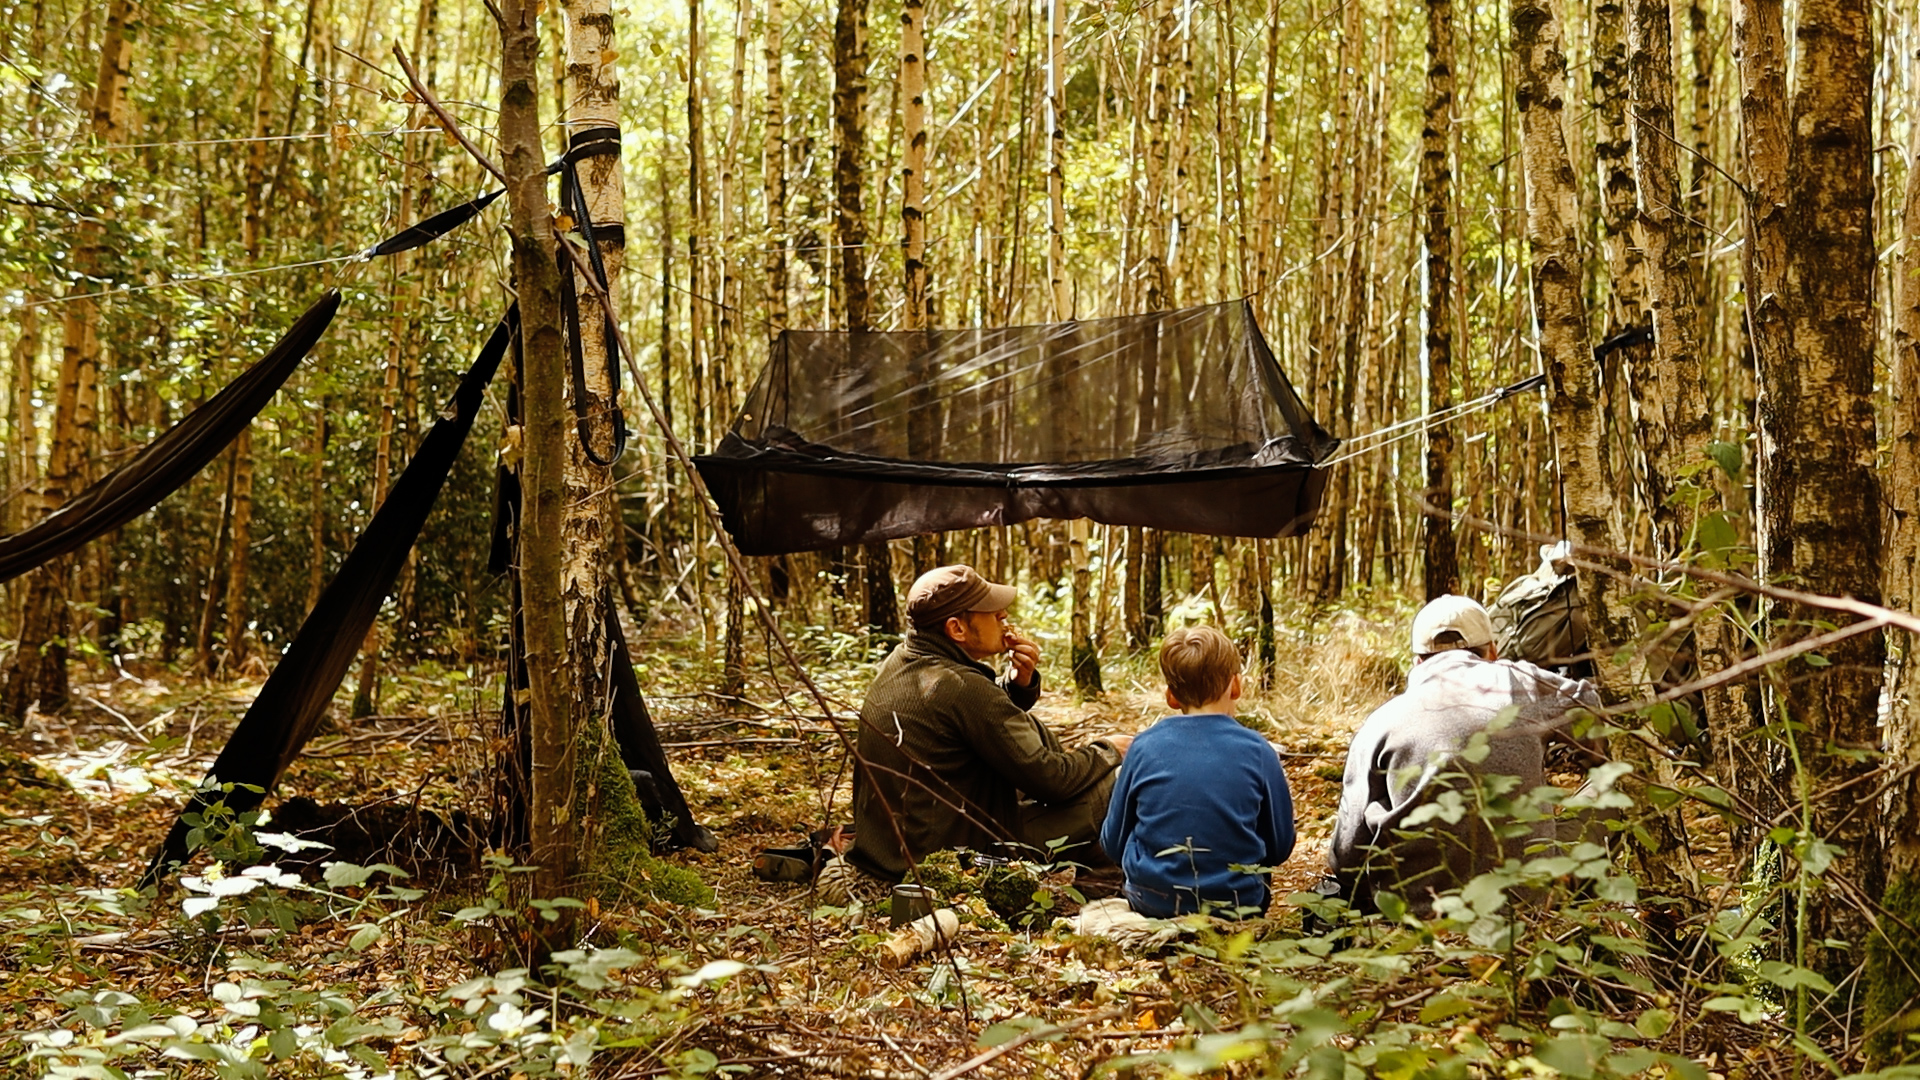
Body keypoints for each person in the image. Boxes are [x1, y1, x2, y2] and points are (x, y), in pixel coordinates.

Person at [842, 565, 1133, 885]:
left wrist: (1017, 685)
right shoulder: (962, 688)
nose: (1003, 615)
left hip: (901, 848)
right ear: (956, 629)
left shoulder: (903, 661)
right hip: (953, 858)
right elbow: (1053, 780)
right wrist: (1109, 750)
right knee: (1121, 781)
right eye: (992, 612)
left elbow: (972, 724)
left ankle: (1103, 879)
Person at [1328, 594, 1605, 915]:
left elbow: (1346, 856)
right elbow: (1598, 708)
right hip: (1525, 907)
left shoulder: (1380, 723)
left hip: (1419, 917)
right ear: (1492, 651)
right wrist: (1591, 758)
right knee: (1612, 787)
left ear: (1417, 661)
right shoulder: (1518, 680)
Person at [1100, 626, 1295, 918]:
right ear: (1236, 686)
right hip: (1239, 906)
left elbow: (1112, 843)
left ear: (1171, 696)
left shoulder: (1143, 747)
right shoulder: (1258, 750)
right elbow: (1280, 848)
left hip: (1152, 904)